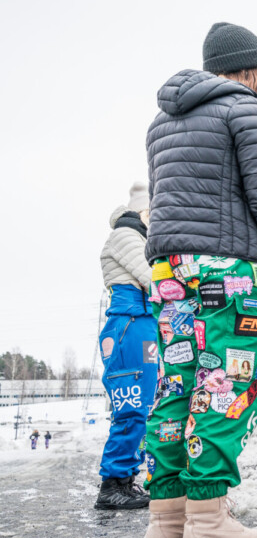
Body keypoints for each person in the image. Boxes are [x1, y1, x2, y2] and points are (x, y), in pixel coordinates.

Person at [141, 22, 257, 538]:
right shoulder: (250, 112)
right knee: (223, 386)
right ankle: (209, 518)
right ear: (253, 71)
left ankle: (168, 521)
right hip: (231, 273)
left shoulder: (160, 123)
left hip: (169, 269)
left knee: (177, 384)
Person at [96, 181, 156, 510]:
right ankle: (112, 484)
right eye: (153, 211)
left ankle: (126, 480)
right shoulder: (126, 235)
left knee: (143, 406)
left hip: (142, 322)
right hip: (129, 325)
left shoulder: (140, 236)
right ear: (142, 209)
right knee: (130, 406)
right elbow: (153, 279)